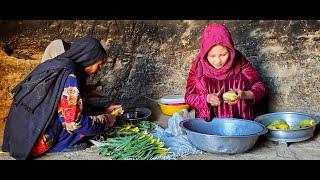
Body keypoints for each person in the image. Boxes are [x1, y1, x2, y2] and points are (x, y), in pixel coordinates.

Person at [2, 36, 123, 160]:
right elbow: (74, 123)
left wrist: (103, 110)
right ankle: (61, 144)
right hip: (34, 145)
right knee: (80, 125)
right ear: (89, 58)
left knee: (75, 112)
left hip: (17, 142)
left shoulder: (55, 67)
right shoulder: (70, 76)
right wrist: (106, 120)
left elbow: (70, 106)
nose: (99, 69)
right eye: (99, 64)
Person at [185, 23, 266, 121]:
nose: (218, 61)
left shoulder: (240, 61)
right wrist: (207, 98)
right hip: (208, 125)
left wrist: (244, 94)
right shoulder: (198, 66)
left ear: (230, 50)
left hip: (240, 121)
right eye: (212, 56)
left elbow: (260, 87)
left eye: (223, 55)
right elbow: (189, 97)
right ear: (205, 53)